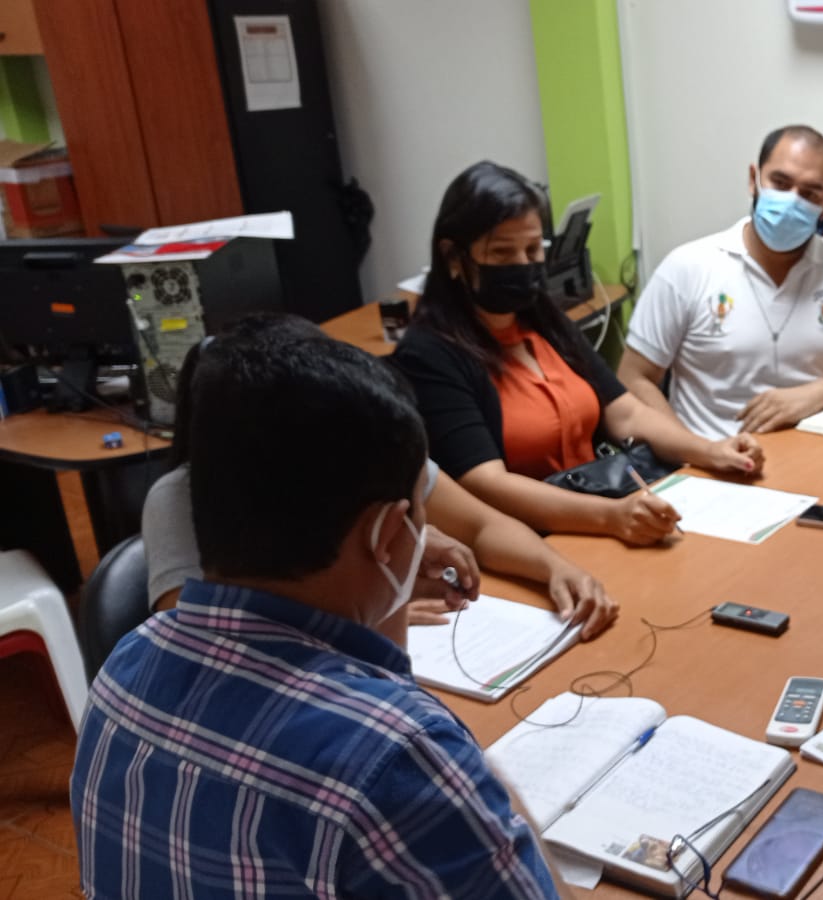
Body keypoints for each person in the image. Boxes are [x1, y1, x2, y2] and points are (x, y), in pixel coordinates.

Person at [72, 322, 563, 897]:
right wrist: (488, 785)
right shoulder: (401, 757)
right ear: (386, 534)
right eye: (418, 517)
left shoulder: (124, 666)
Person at [142, 315, 618, 641]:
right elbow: (202, 641)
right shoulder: (180, 495)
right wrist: (373, 612)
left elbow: (482, 525)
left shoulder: (348, 454)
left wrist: (557, 568)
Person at [392, 161, 764, 546]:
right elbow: (485, 483)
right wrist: (611, 517)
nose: (523, 265)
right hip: (530, 541)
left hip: (601, 517)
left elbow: (626, 413)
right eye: (503, 254)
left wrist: (710, 451)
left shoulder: (541, 318)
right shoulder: (429, 355)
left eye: (532, 250)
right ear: (453, 257)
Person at [617, 124, 823, 438]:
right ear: (754, 179)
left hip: (819, 451)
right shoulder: (687, 267)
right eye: (780, 183)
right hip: (708, 454)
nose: (792, 202)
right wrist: (692, 450)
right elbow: (633, 378)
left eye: (810, 193)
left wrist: (810, 396)